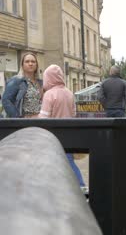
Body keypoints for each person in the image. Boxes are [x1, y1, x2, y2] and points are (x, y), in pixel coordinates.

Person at [38, 64, 87, 194]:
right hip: (69, 133)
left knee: (64, 163)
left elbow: (43, 119)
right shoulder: (69, 93)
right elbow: (74, 113)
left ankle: (80, 186)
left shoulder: (49, 94)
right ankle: (77, 187)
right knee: (68, 160)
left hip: (53, 135)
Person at [2, 53, 43, 118]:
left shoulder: (40, 82)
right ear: (22, 65)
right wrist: (17, 117)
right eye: (27, 61)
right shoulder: (17, 80)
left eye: (33, 61)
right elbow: (6, 100)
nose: (30, 64)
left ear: (37, 65)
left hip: (39, 120)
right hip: (24, 121)